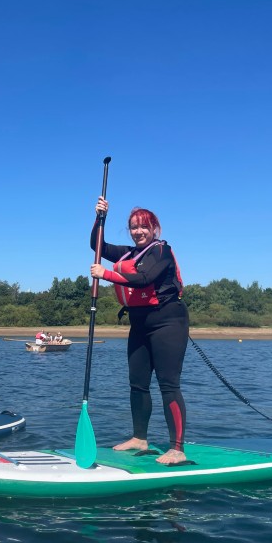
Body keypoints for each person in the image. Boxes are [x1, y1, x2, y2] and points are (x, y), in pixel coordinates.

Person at [89, 197, 189, 465]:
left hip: (169, 322)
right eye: (133, 227)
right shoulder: (128, 254)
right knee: (137, 383)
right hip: (139, 323)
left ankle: (177, 448)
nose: (138, 231)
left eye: (144, 227)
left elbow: (145, 279)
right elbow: (96, 246)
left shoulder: (161, 251)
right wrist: (100, 218)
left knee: (168, 384)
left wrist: (105, 275)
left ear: (154, 229)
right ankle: (139, 437)